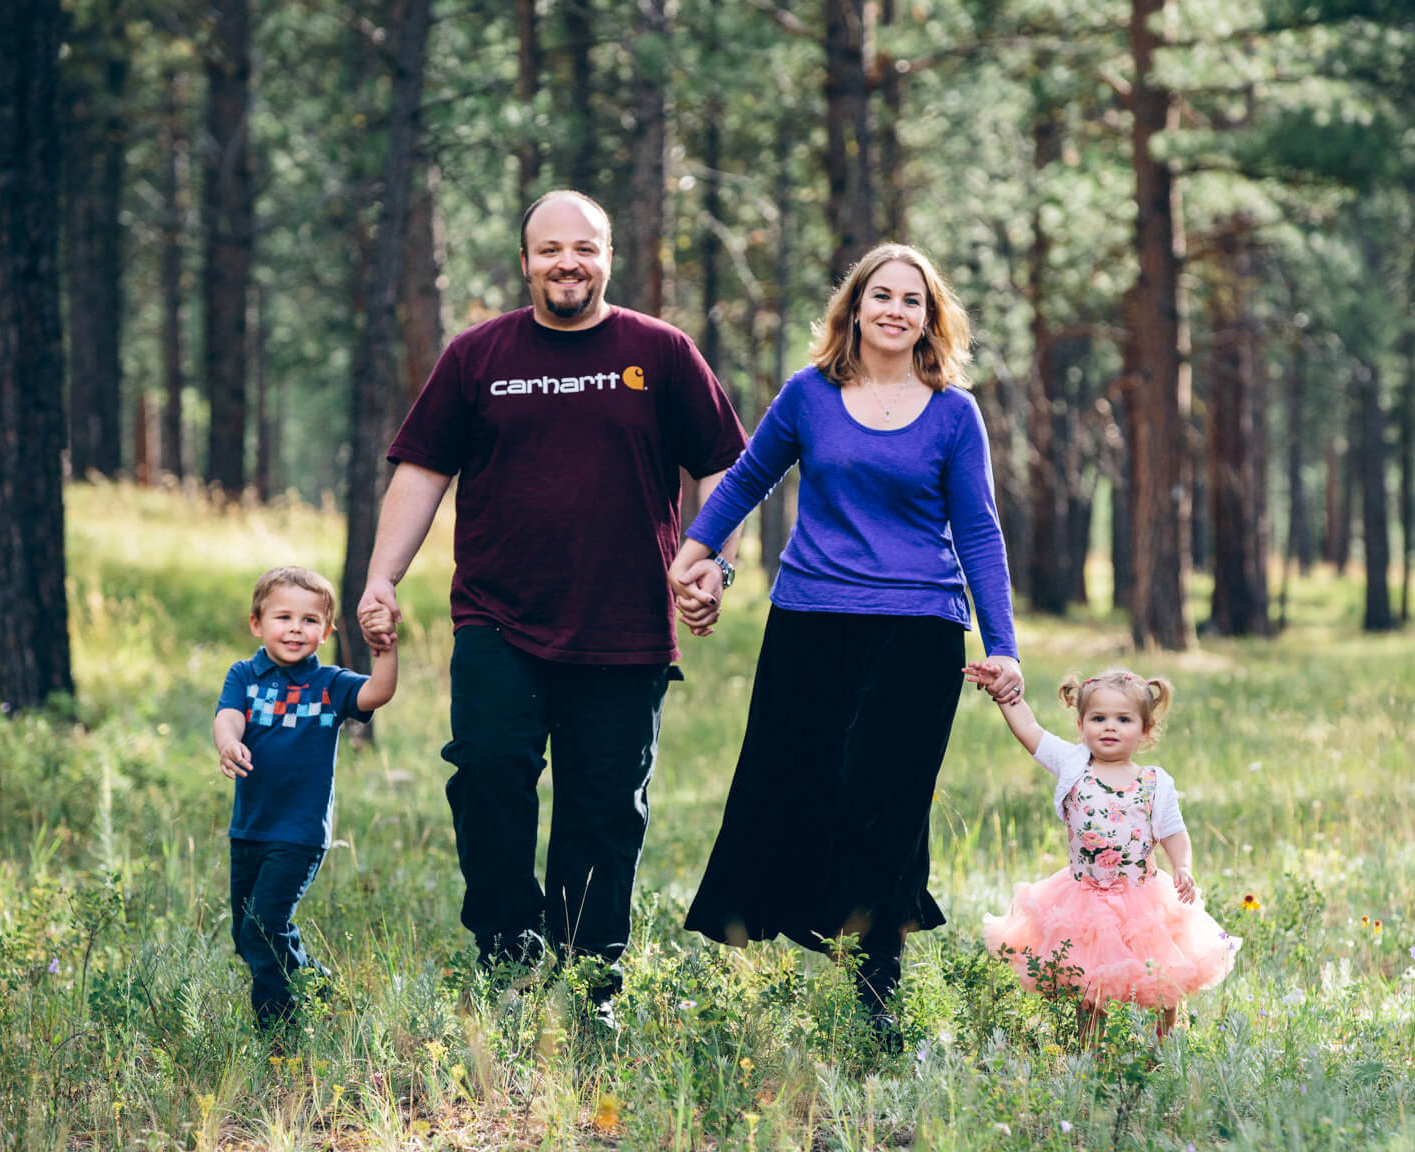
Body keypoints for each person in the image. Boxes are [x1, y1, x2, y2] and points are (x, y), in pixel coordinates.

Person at [356, 189, 747, 1005]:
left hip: (626, 621)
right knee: (489, 772)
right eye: (550, 248)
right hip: (497, 614)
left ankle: (591, 975)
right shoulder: (477, 356)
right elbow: (424, 471)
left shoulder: (662, 352)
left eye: (585, 247)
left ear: (609, 256)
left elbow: (724, 467)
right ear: (525, 261)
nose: (568, 262)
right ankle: (505, 950)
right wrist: (380, 577)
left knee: (605, 809)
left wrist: (715, 561)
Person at [669, 242, 1024, 1041]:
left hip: (919, 629)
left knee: (888, 804)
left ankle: (879, 987)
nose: (896, 310)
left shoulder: (953, 412)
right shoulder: (809, 396)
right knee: (790, 783)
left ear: (930, 320)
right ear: (854, 308)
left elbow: (979, 531)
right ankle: (811, 930)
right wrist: (693, 558)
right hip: (810, 620)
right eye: (882, 296)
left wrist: (1001, 643)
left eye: (913, 301)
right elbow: (749, 478)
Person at [961, 664, 1236, 1040]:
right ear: (1081, 725)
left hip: (1142, 897)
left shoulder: (1154, 782)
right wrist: (1004, 695)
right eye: (1098, 718)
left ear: (1145, 730)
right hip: (1084, 898)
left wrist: (1183, 866)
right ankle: (1091, 1050)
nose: (1110, 727)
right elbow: (1030, 730)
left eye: (1123, 719)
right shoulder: (1074, 765)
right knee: (1088, 980)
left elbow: (1174, 832)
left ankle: (1164, 1044)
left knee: (1162, 973)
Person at [214, 566, 398, 1026]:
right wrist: (228, 742)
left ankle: (279, 1032)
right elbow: (228, 717)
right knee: (246, 934)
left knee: (263, 927)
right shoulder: (244, 675)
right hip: (249, 827)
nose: (296, 628)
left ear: (326, 632)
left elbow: (378, 693)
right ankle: (315, 981)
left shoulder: (330, 685)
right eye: (283, 617)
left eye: (310, 620)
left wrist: (385, 652)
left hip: (299, 833)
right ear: (257, 624)